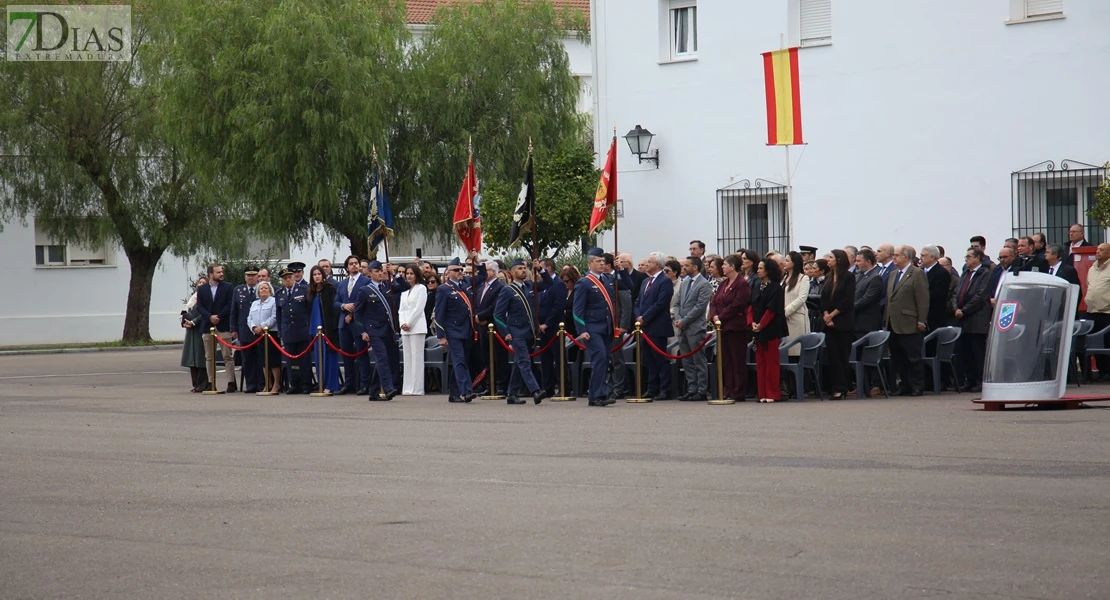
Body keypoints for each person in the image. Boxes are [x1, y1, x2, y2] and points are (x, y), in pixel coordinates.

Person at [493, 258, 546, 405]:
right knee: (524, 361)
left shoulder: (529, 286)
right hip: (516, 332)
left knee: (519, 363)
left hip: (529, 331)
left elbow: (549, 284)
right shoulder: (507, 291)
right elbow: (498, 315)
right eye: (519, 268)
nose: (523, 271)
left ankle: (512, 393)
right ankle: (535, 390)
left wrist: (540, 269)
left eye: (524, 268)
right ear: (512, 272)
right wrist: (505, 332)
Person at [574, 249, 622, 406]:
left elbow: (627, 284)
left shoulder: (608, 278)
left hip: (606, 327)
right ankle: (598, 394)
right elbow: (578, 309)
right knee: (599, 358)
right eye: (598, 261)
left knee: (604, 359)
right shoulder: (584, 282)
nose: (602, 264)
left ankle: (596, 395)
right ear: (590, 263)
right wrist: (582, 330)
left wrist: (620, 270)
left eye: (603, 261)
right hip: (592, 327)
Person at [885, 246, 929, 397]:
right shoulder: (893, 274)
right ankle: (905, 384)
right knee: (898, 357)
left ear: (906, 257)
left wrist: (921, 320)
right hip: (893, 322)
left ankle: (917, 386)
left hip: (910, 321)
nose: (894, 258)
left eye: (897, 255)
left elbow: (922, 299)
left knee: (913, 357)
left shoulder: (917, 273)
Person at [435, 257, 480, 403]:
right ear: (448, 273)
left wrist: (476, 262)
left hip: (466, 330)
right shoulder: (444, 289)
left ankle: (454, 394)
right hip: (453, 331)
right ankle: (466, 391)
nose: (460, 272)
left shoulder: (465, 285)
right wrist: (441, 335)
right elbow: (439, 314)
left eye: (461, 269)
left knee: (461, 362)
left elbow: (483, 276)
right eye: (456, 270)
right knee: (459, 361)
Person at [356, 261, 400, 401]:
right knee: (382, 359)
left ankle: (373, 391)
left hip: (388, 329)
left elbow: (405, 287)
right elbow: (357, 314)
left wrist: (394, 273)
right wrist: (362, 331)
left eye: (381, 271)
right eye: (376, 271)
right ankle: (388, 389)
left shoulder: (388, 287)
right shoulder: (365, 290)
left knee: (385, 359)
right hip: (373, 331)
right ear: (369, 273)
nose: (380, 273)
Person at [950, 248, 993, 392]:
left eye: (969, 257)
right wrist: (956, 308)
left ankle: (980, 381)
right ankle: (970, 379)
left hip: (977, 318)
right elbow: (956, 293)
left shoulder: (985, 274)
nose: (966, 259)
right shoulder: (965, 273)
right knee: (965, 351)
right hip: (963, 318)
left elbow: (980, 296)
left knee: (977, 351)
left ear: (978, 258)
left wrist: (964, 310)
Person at [710, 255, 751, 401]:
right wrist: (714, 316)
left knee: (737, 360)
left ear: (733, 267)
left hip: (735, 327)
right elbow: (714, 301)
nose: (722, 267)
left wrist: (721, 317)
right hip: (723, 328)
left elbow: (737, 304)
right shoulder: (723, 283)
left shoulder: (742, 284)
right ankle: (727, 389)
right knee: (726, 360)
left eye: (725, 264)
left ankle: (738, 391)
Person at [636, 252, 675, 400]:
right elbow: (638, 301)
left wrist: (645, 318)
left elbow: (661, 303)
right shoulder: (646, 281)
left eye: (649, 262)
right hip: (644, 327)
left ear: (657, 265)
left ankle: (665, 389)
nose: (646, 264)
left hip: (657, 325)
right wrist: (638, 316)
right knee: (648, 360)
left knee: (659, 358)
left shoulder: (664, 281)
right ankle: (652, 388)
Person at [673, 256, 713, 401]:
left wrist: (685, 321)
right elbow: (677, 303)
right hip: (682, 326)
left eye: (687, 266)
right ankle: (692, 388)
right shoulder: (684, 283)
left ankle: (702, 389)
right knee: (686, 360)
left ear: (695, 267)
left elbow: (699, 307)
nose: (683, 268)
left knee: (698, 359)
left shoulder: (704, 285)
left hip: (695, 327)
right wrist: (678, 319)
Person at [750, 258, 788, 402]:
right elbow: (751, 305)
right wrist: (752, 322)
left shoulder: (776, 287)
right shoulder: (757, 285)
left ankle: (773, 393)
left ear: (768, 270)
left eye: (761, 268)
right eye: (758, 268)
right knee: (760, 362)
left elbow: (772, 309)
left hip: (771, 329)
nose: (758, 271)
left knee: (771, 362)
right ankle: (762, 393)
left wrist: (761, 324)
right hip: (757, 329)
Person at [820, 249, 856, 400]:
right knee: (832, 357)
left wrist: (833, 315)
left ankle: (842, 388)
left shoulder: (848, 277)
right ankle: (835, 386)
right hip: (828, 322)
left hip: (843, 321)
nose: (828, 260)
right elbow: (823, 299)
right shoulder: (828, 277)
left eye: (831, 258)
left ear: (839, 260)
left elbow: (847, 300)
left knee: (842, 356)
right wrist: (826, 315)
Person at [336, 255, 372, 396]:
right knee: (347, 354)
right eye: (351, 264)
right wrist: (344, 306)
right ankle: (348, 383)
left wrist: (353, 312)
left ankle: (364, 384)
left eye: (356, 263)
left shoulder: (366, 281)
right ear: (347, 267)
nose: (354, 266)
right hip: (343, 323)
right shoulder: (342, 284)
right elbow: (336, 302)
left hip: (359, 322)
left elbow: (367, 301)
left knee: (361, 354)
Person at [196, 264, 236, 393]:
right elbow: (199, 306)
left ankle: (231, 382)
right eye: (218, 272)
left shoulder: (228, 287)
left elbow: (230, 304)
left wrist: (219, 316)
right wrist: (209, 317)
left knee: (227, 356)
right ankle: (211, 382)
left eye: (222, 271)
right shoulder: (202, 290)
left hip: (223, 325)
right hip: (208, 326)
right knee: (209, 357)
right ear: (211, 274)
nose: (221, 274)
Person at [276, 268, 313, 394]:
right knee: (291, 360)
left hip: (302, 330)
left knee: (304, 360)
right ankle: (294, 384)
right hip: (288, 331)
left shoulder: (303, 290)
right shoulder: (280, 294)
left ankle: (306, 384)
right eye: (285, 278)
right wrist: (281, 331)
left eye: (290, 277)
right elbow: (279, 314)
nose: (288, 280)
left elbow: (309, 310)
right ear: (282, 280)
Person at [536, 258, 568, 398]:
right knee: (545, 359)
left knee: (559, 358)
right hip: (542, 328)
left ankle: (563, 387)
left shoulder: (559, 284)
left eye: (541, 269)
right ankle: (547, 387)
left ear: (548, 269)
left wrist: (547, 323)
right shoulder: (542, 284)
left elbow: (558, 306)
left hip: (555, 327)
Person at [307, 265, 341, 394]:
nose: (317, 277)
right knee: (319, 358)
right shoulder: (311, 292)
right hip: (316, 330)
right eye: (314, 274)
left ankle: (331, 385)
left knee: (329, 357)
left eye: (319, 274)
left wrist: (331, 329)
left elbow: (333, 311)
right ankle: (321, 383)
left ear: (323, 275)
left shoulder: (330, 289)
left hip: (328, 329)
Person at [605, 253, 633, 401]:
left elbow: (626, 302)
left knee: (616, 358)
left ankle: (618, 388)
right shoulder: (601, 279)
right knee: (606, 358)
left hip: (617, 324)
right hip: (604, 324)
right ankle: (607, 387)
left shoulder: (618, 278)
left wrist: (623, 325)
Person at [229, 266, 262, 393]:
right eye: (248, 275)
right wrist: (233, 328)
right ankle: (251, 384)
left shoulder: (262, 289)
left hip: (258, 330)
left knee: (260, 358)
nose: (251, 277)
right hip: (244, 330)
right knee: (247, 359)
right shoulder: (238, 290)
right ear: (245, 277)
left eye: (253, 275)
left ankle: (261, 384)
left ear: (257, 276)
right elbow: (234, 311)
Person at [398, 264, 428, 396]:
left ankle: (417, 388)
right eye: (407, 273)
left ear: (416, 275)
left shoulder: (421, 288)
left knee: (417, 357)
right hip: (405, 328)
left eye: (411, 273)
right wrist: (402, 323)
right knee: (408, 358)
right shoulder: (404, 291)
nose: (409, 276)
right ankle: (407, 387)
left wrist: (409, 322)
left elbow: (419, 308)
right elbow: (401, 310)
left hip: (417, 326)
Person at [248, 280, 282, 393]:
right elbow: (249, 318)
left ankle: (276, 384)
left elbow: (274, 317)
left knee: (273, 360)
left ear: (270, 290)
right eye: (261, 288)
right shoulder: (254, 303)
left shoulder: (273, 301)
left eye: (265, 288)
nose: (263, 290)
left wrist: (262, 327)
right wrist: (254, 328)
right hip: (259, 335)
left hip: (271, 333)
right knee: (263, 361)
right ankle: (268, 383)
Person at [1083, 244, 1110, 380]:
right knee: (1095, 343)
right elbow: (1089, 286)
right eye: (1097, 249)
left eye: (1101, 250)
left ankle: (1108, 372)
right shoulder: (1093, 268)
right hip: (1092, 311)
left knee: (1107, 342)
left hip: (1107, 312)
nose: (1097, 252)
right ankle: (1102, 371)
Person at [180, 276, 209, 392]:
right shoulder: (193, 298)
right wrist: (184, 322)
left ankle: (203, 384)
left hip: (199, 330)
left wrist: (194, 322)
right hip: (190, 332)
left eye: (204, 283)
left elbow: (204, 314)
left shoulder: (207, 298)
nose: (201, 284)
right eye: (199, 282)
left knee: (200, 357)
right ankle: (195, 384)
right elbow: (185, 312)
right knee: (191, 358)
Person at [781, 251, 811, 354]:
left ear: (794, 263)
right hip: (783, 319)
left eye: (787, 260)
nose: (784, 262)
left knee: (795, 350)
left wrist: (786, 311)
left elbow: (801, 298)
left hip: (795, 318)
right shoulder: (784, 279)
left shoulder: (803, 278)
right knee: (785, 350)